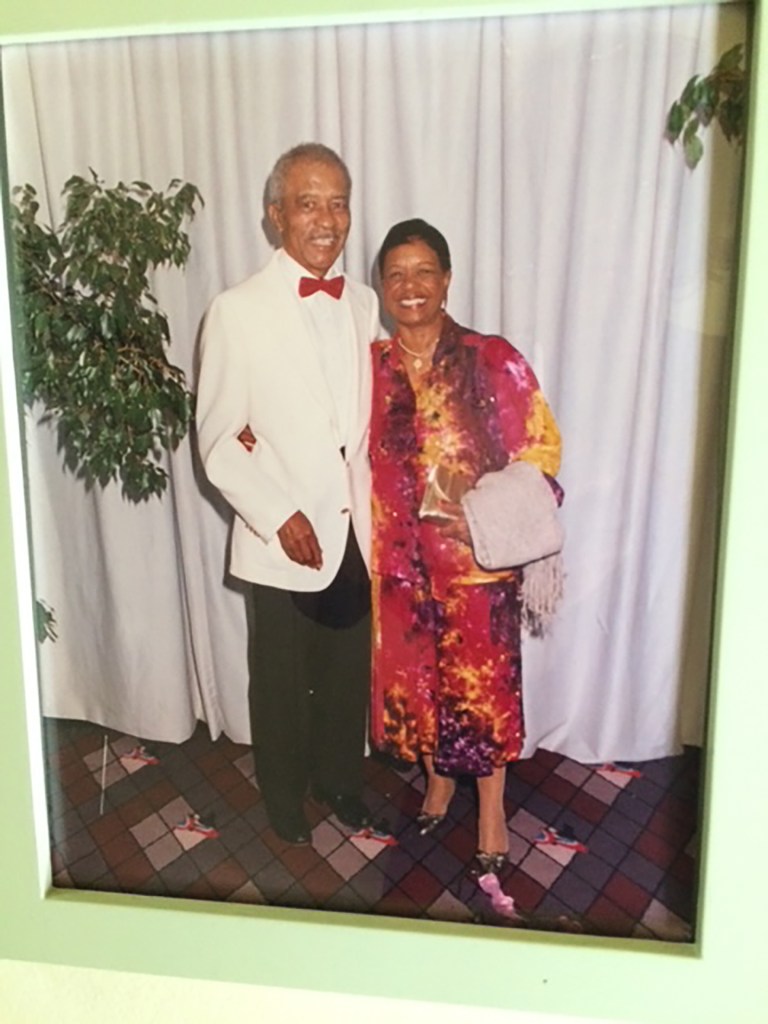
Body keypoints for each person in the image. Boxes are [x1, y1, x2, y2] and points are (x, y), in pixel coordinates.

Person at [196, 143, 379, 845]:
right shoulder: (236, 310)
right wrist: (278, 514)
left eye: (338, 202)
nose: (327, 219)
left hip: (353, 530)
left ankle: (340, 781)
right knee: (280, 681)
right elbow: (219, 437)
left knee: (343, 675)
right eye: (309, 203)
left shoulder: (363, 304)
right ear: (276, 216)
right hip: (284, 535)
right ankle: (282, 798)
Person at [369, 218, 563, 874]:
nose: (410, 286)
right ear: (381, 286)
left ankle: (489, 809)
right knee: (416, 686)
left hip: (477, 566)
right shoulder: (370, 369)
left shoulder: (491, 356)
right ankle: (438, 781)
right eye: (396, 274)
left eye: (424, 271)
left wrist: (487, 507)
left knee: (481, 693)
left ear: (447, 279)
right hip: (397, 566)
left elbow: (541, 447)